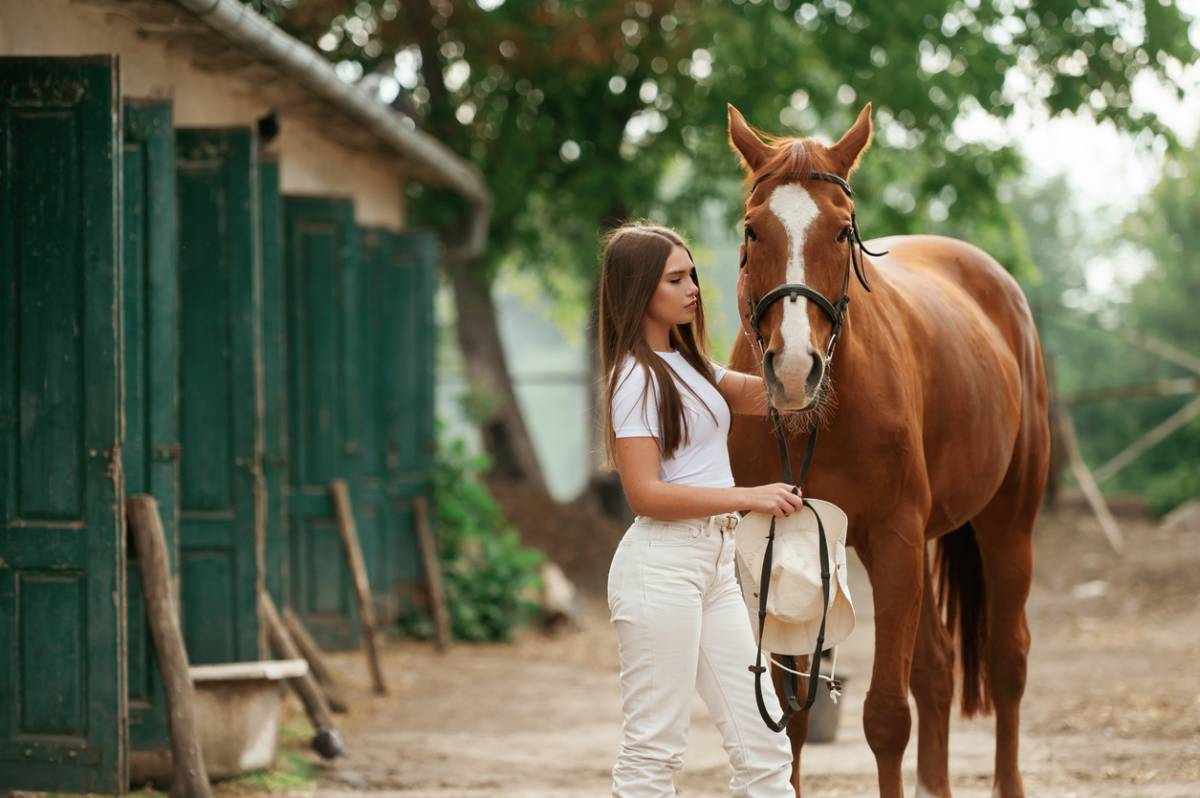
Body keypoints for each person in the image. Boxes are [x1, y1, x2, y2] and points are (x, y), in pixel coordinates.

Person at [598, 222, 804, 797]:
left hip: (714, 567)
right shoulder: (633, 379)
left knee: (765, 743)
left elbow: (784, 395)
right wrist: (748, 496)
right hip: (662, 566)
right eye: (676, 278)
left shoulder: (692, 368)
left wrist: (790, 329)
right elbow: (646, 494)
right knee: (655, 749)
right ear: (640, 289)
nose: (693, 288)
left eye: (692, 275)